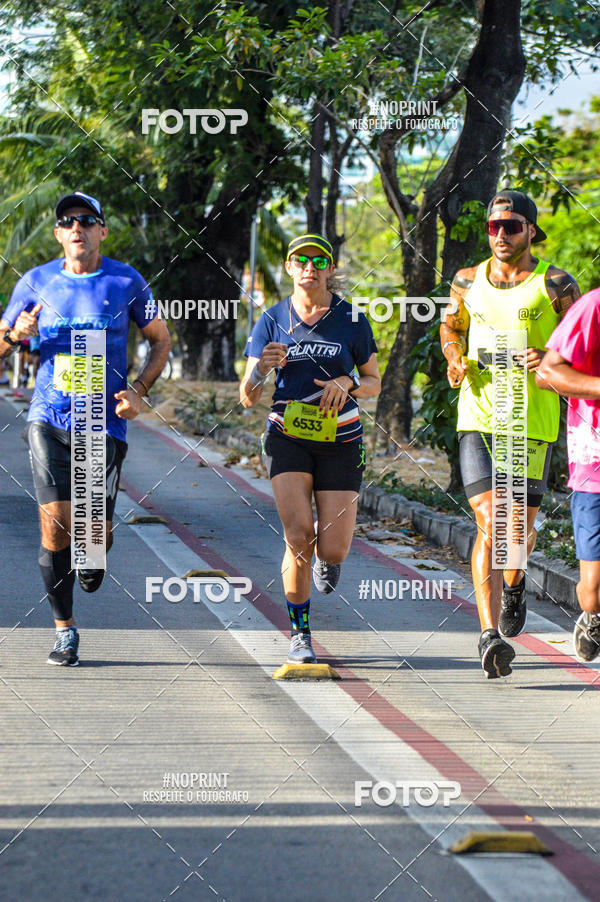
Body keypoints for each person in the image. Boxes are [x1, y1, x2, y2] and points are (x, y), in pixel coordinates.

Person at [0, 191, 171, 666]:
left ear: (102, 231)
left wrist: (138, 389)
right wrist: (16, 335)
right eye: (68, 221)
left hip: (102, 421)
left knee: (93, 538)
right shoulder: (35, 282)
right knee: (55, 522)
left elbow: (160, 341)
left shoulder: (126, 281)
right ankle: (65, 631)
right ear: (59, 234)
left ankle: (94, 554)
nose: (77, 227)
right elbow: (1, 344)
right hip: (49, 417)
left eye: (87, 220)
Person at [440, 189, 580, 679]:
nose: (501, 234)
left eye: (512, 225)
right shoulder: (466, 279)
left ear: (531, 230)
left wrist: (551, 358)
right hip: (479, 415)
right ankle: (488, 636)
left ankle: (515, 584)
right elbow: (451, 328)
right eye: (493, 226)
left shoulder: (556, 284)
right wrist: (454, 357)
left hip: (529, 420)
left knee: (515, 532)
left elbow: (584, 344)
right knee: (490, 520)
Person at [240, 234, 381, 664]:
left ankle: (328, 558)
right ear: (288, 267)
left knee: (332, 548)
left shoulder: (352, 318)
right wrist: (260, 371)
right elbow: (246, 397)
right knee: (298, 536)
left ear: (330, 268)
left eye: (319, 261)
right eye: (300, 260)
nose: (309, 267)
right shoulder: (271, 319)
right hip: (288, 436)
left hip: (341, 439)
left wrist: (348, 381)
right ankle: (299, 634)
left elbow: (374, 382)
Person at [536, 286, 600, 662]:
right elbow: (547, 372)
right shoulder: (593, 306)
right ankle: (592, 615)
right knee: (592, 591)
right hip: (595, 466)